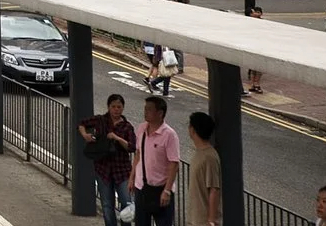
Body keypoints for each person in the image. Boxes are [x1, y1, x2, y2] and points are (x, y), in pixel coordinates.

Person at [78, 93, 136, 226]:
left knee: (126, 203)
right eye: (113, 106)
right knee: (107, 204)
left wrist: (117, 138)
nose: (116, 110)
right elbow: (81, 123)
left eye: (119, 107)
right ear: (108, 107)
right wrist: (85, 135)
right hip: (103, 169)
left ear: (123, 108)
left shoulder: (127, 127)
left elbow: (132, 147)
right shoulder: (100, 120)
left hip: (122, 171)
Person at [128, 95, 180, 226]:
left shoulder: (169, 135)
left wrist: (167, 190)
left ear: (160, 113)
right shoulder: (142, 129)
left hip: (161, 190)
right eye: (145, 109)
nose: (145, 112)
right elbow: (138, 154)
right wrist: (132, 177)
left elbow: (174, 164)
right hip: (142, 187)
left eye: (149, 109)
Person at [187, 112, 221, 226]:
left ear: (193, 130)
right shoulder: (200, 153)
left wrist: (211, 221)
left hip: (203, 221)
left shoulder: (209, 157)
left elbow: (214, 189)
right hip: (195, 218)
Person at [248, 6, 264, 93]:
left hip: (260, 47)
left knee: (259, 67)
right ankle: (253, 84)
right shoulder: (248, 22)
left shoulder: (263, 23)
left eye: (258, 12)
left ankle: (257, 83)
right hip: (251, 46)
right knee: (252, 67)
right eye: (254, 12)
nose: (255, 14)